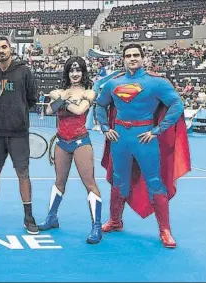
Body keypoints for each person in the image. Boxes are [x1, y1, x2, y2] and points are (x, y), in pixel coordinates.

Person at [95, 43, 191, 248]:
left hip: (144, 137)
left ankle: (165, 230)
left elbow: (177, 104)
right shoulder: (113, 83)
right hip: (120, 137)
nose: (132, 58)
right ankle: (115, 220)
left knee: (154, 181)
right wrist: (104, 127)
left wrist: (158, 130)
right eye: (128, 55)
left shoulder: (157, 83)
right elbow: (100, 105)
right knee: (118, 179)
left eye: (136, 55)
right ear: (123, 58)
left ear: (142, 57)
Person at [0, 36, 39, 235]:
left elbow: (31, 100)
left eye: (4, 47)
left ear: (10, 49)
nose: (1, 51)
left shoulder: (24, 72)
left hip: (19, 133)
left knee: (23, 174)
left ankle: (29, 217)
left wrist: (16, 116)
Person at [36, 57, 103, 244]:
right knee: (59, 182)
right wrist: (62, 100)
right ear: (67, 73)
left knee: (89, 183)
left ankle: (96, 226)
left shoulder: (89, 92)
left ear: (83, 72)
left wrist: (62, 101)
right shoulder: (57, 91)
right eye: (72, 71)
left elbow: (80, 111)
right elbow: (49, 111)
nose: (75, 74)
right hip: (61, 142)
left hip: (81, 142)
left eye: (78, 70)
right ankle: (52, 217)